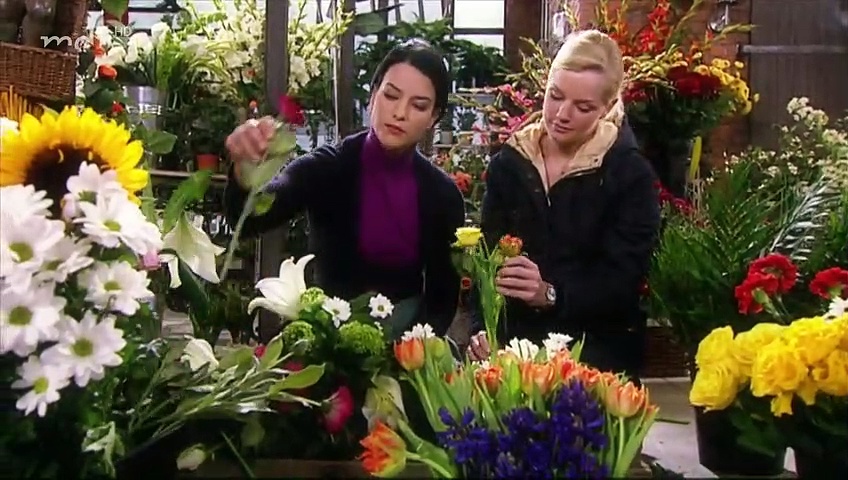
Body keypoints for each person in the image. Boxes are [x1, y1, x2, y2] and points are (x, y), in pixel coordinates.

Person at [224, 39, 465, 339]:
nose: (400, 112)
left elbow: (442, 300)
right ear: (373, 97)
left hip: (408, 347)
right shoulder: (329, 166)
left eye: (418, 105)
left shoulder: (443, 195)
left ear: (434, 118)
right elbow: (250, 219)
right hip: (327, 338)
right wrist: (244, 170)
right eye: (391, 95)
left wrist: (411, 350)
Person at [468, 30, 661, 381]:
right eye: (555, 96)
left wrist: (550, 293)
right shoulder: (509, 164)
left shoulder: (629, 175)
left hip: (596, 363)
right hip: (513, 361)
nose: (561, 114)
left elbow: (623, 280)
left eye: (582, 107)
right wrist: (482, 329)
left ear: (607, 108)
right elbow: (486, 262)